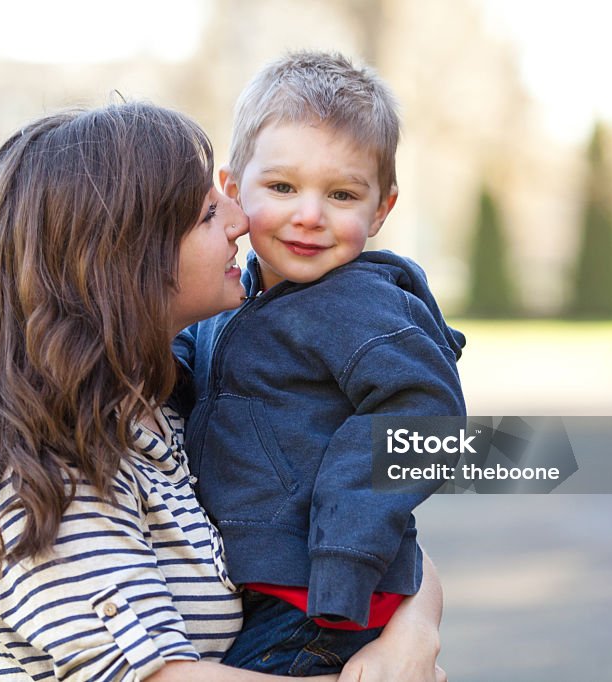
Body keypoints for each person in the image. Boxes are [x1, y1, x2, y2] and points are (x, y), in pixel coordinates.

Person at [0, 102, 446, 681]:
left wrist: (413, 635)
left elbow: (377, 532)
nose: (242, 219)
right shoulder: (40, 479)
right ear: (125, 255)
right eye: (209, 212)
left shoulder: (172, 408)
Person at [176, 52, 466, 676]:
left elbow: (427, 422)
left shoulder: (363, 308)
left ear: (381, 208)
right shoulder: (231, 301)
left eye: (341, 194)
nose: (310, 215)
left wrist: (343, 561)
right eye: (282, 188)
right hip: (265, 589)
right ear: (232, 191)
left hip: (318, 600)